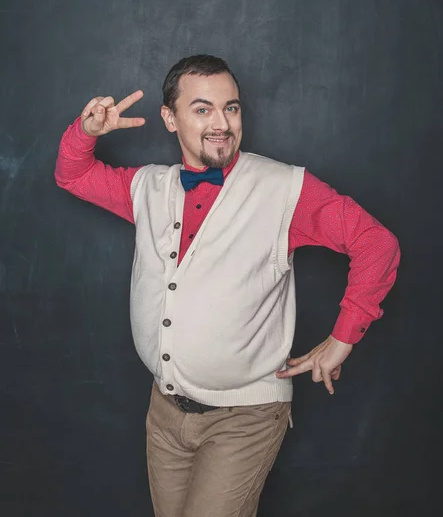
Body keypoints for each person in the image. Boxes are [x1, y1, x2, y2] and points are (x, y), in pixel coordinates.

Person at [55, 54, 400, 517]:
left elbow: (376, 243)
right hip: (164, 410)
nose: (222, 123)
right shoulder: (147, 187)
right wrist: (85, 133)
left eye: (231, 108)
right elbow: (72, 175)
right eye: (202, 109)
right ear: (169, 118)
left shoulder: (284, 188)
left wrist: (343, 338)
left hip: (245, 419)